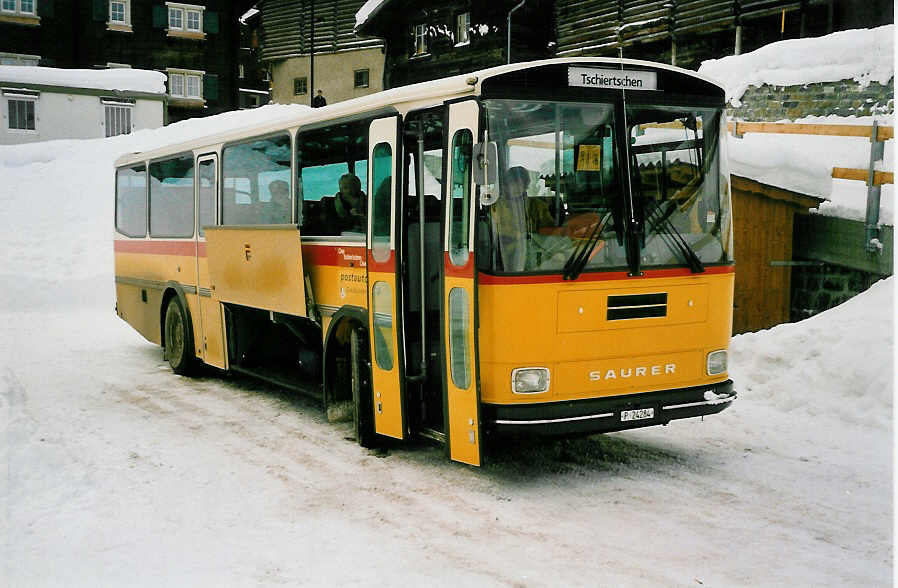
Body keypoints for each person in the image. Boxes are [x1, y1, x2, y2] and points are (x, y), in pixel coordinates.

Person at [491, 166, 552, 271]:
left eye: (520, 184)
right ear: (505, 185)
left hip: (536, 257)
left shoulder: (538, 206)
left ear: (526, 185)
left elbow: (550, 232)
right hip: (505, 257)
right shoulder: (496, 207)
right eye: (512, 184)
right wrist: (517, 236)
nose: (516, 187)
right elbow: (496, 232)